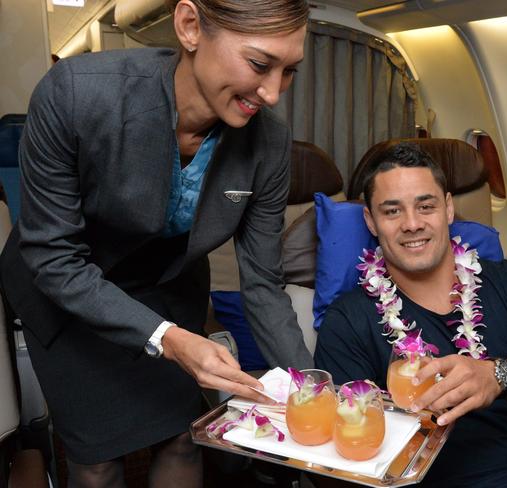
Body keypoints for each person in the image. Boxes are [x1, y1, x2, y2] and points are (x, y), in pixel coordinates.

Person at [0, 0, 313, 486]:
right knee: (98, 461)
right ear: (189, 27)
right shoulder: (78, 95)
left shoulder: (268, 144)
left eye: (289, 71)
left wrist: (311, 387)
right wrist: (166, 337)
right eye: (259, 64)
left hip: (167, 284)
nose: (273, 93)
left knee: (183, 438)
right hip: (68, 291)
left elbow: (264, 285)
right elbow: (54, 257)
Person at [314, 142, 507, 487]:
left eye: (425, 205)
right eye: (392, 211)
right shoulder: (348, 320)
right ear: (371, 221)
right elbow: (339, 463)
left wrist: (497, 376)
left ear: (447, 208)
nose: (412, 224)